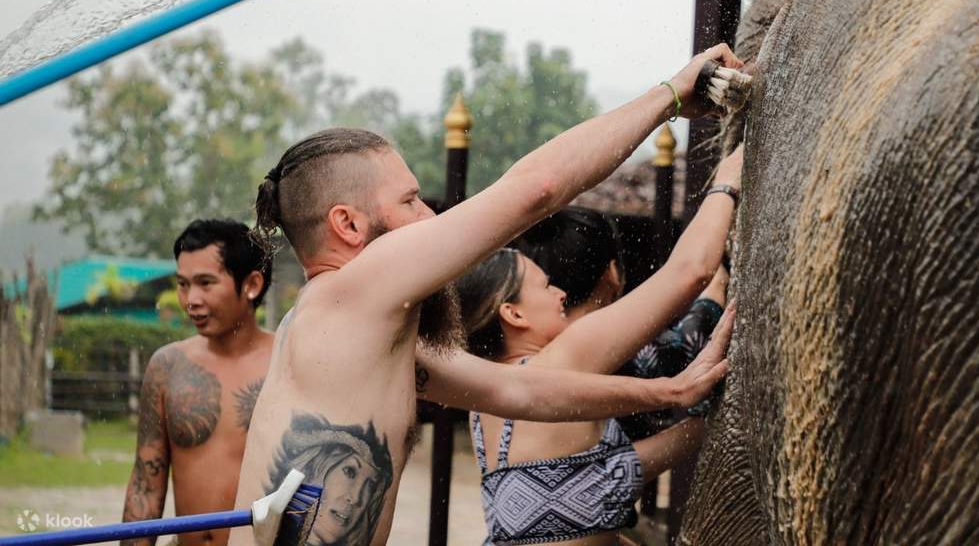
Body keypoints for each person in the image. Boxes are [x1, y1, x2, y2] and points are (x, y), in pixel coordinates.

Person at [231, 45, 742, 546]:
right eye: (411, 201)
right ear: (347, 224)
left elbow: (516, 392)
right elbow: (537, 188)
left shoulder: (354, 333)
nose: (429, 216)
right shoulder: (350, 291)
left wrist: (670, 392)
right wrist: (671, 96)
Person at [460, 146, 742, 545]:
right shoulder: (563, 358)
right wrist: (726, 184)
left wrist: (703, 425)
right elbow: (689, 272)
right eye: (543, 285)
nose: (559, 293)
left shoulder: (486, 405)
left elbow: (583, 492)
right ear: (513, 314)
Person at [122, 219, 275, 546]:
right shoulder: (167, 367)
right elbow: (145, 486)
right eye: (182, 284)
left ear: (252, 285)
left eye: (205, 283)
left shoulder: (287, 366)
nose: (190, 299)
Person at [515, 209, 731, 438]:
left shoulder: (524, 354)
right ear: (612, 272)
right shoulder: (626, 355)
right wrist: (715, 287)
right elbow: (689, 339)